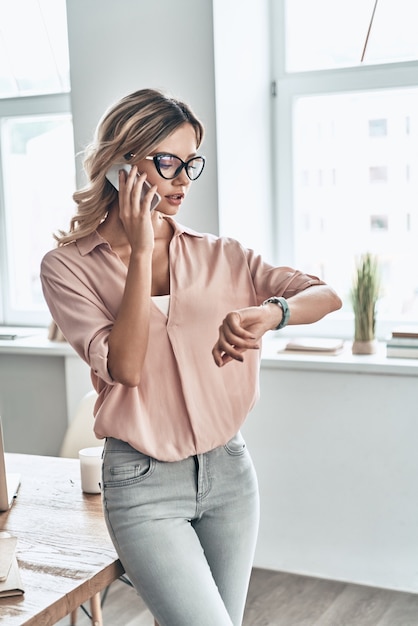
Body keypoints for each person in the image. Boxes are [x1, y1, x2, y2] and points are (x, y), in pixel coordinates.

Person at [40, 88, 342, 626]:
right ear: (119, 166)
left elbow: (324, 294)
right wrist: (139, 249)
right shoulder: (67, 268)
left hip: (229, 473)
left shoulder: (221, 254)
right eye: (167, 163)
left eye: (191, 163)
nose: (183, 179)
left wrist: (271, 314)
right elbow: (125, 367)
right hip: (142, 484)